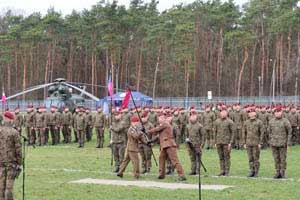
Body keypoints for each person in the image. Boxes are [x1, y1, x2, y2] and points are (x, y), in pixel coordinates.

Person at [148, 114, 186, 181]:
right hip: (165, 146)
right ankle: (161, 174)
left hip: (169, 145)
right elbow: (158, 136)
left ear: (164, 119)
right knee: (161, 159)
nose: (159, 120)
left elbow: (156, 129)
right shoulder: (163, 126)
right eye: (159, 118)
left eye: (160, 118)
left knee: (174, 160)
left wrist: (147, 131)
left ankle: (182, 175)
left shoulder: (165, 124)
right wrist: (151, 141)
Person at [0, 111, 22, 200]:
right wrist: (20, 162)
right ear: (11, 121)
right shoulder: (14, 132)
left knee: (1, 184)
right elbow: (18, 150)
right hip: (11, 162)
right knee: (9, 186)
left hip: (1, 161)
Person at [268, 107, 292, 179]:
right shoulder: (271, 121)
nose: (277, 113)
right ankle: (277, 172)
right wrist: (271, 140)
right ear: (274, 113)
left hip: (283, 143)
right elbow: (269, 131)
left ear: (281, 112)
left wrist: (288, 143)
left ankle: (283, 173)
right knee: (276, 158)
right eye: (276, 112)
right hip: (274, 144)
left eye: (279, 112)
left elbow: (289, 132)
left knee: (283, 159)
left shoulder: (285, 121)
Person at [242, 109, 265, 177]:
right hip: (248, 143)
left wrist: (260, 143)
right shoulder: (246, 122)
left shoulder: (259, 122)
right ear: (248, 114)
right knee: (250, 158)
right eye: (250, 113)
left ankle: (256, 172)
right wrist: (244, 143)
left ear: (255, 113)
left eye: (253, 112)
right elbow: (244, 133)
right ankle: (251, 171)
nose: (251, 114)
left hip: (256, 143)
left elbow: (262, 133)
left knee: (256, 158)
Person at [214, 109, 235, 176]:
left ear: (226, 113)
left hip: (226, 142)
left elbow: (233, 133)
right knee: (221, 157)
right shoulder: (217, 121)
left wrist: (230, 143)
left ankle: (227, 171)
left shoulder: (230, 122)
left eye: (224, 113)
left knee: (227, 157)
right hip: (219, 142)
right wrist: (215, 142)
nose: (223, 114)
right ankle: (222, 170)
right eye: (222, 113)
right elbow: (215, 132)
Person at [186, 111, 204, 175]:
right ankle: (193, 170)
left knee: (198, 158)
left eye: (194, 115)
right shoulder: (188, 126)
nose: (192, 117)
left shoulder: (200, 126)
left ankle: (198, 170)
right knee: (192, 158)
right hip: (190, 145)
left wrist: (202, 145)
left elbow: (202, 136)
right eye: (191, 115)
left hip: (197, 145)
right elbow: (187, 136)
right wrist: (187, 145)